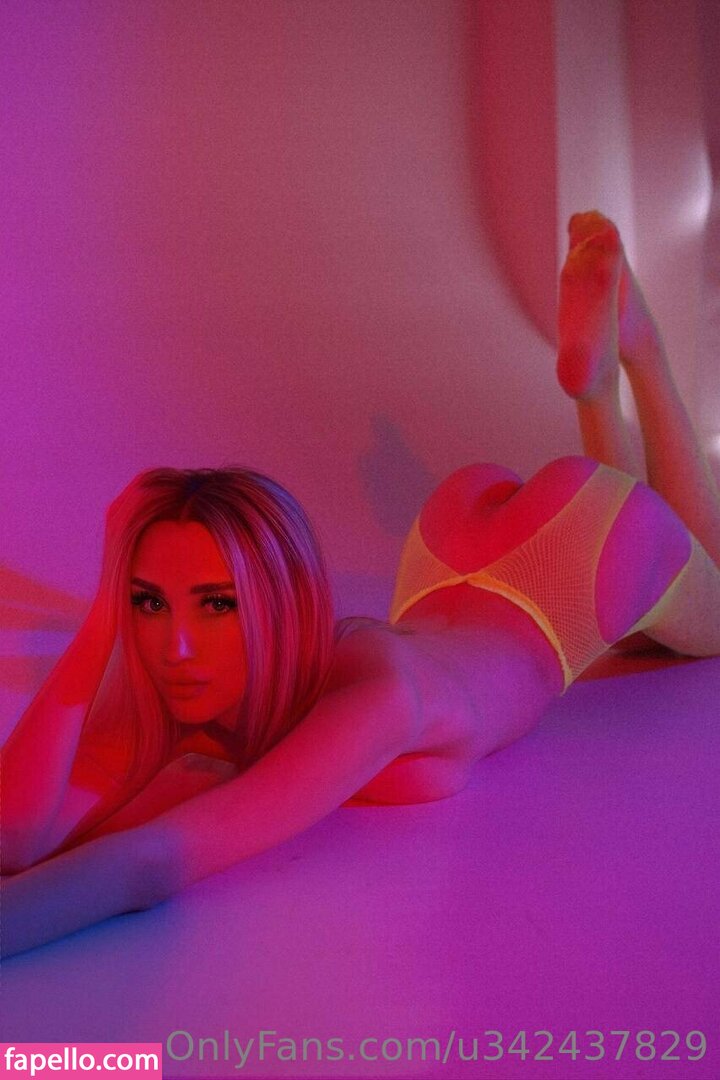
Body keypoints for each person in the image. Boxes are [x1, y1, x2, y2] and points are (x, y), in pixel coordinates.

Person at [2, 211, 719, 958]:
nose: (175, 645)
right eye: (149, 601)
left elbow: (150, 862)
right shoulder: (198, 684)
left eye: (217, 604)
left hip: (576, 554)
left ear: (276, 601)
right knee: (641, 635)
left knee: (712, 619)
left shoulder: (377, 697)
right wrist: (104, 616)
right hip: (450, 554)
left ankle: (637, 354)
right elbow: (17, 838)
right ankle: (599, 387)